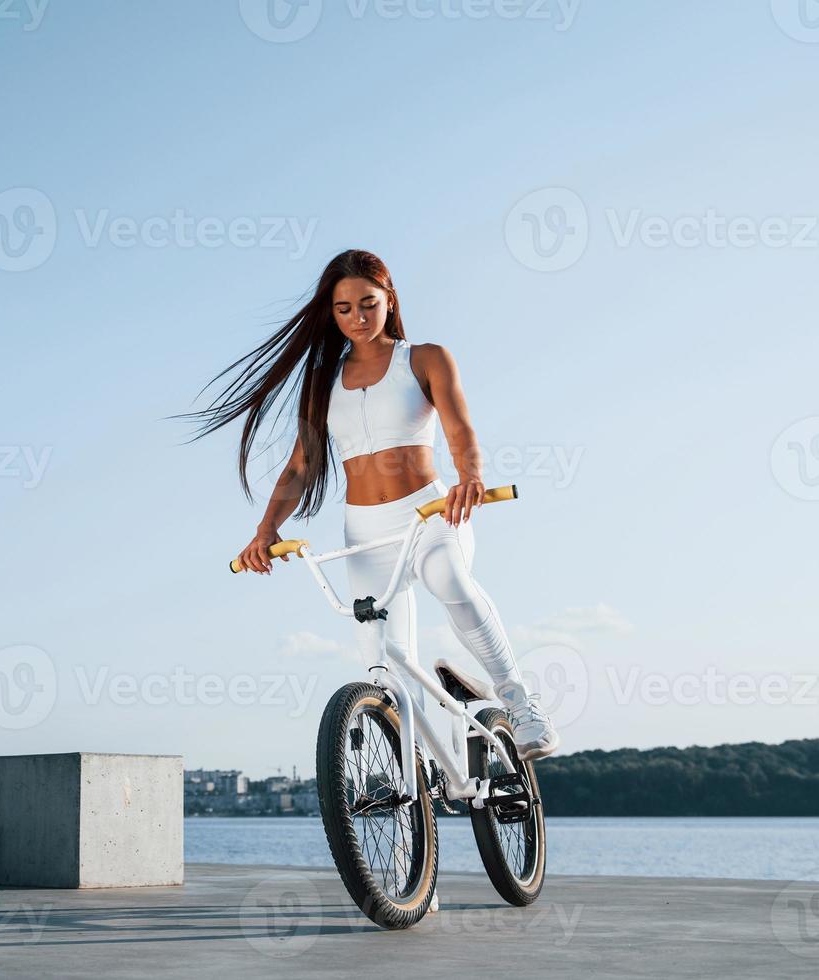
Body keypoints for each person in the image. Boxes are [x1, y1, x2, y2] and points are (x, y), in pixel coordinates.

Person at [187, 248, 558, 761]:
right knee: (383, 661)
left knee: (451, 582)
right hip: (364, 532)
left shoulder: (425, 358)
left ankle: (520, 705)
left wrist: (470, 476)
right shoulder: (322, 383)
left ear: (389, 300)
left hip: (429, 515)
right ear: (331, 313)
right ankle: (414, 770)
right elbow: (299, 466)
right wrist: (265, 531)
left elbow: (459, 427)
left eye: (368, 304)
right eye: (344, 309)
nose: (357, 318)